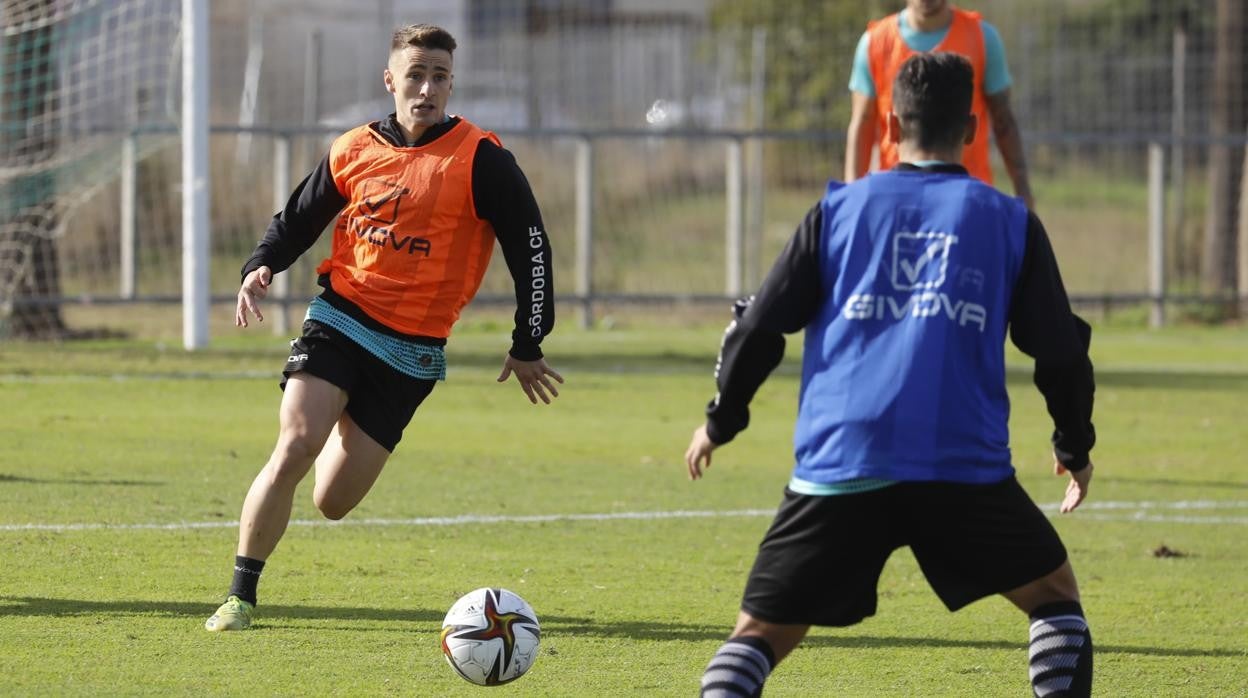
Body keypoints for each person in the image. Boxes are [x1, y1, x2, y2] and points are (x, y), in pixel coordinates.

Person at [686, 53, 1094, 697]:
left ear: (889, 124)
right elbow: (1061, 351)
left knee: (760, 635)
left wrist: (721, 420)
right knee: (1054, 597)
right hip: (963, 467)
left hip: (842, 461)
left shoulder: (840, 210)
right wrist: (1074, 444)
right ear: (970, 128)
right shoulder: (1010, 220)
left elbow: (759, 325)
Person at [205, 23, 564, 632]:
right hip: (340, 318)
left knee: (332, 502)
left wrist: (528, 341)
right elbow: (298, 217)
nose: (427, 88)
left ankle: (338, 419)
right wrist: (260, 264)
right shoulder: (353, 148)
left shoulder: (482, 161)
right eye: (416, 74)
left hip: (413, 351)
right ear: (390, 79)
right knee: (294, 445)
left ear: (452, 83)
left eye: (440, 76)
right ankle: (240, 595)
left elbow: (531, 249)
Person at [845, 0, 1035, 210]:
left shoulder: (982, 38)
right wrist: (852, 193)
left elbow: (1003, 120)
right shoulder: (874, 43)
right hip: (896, 201)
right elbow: (862, 123)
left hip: (967, 201)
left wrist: (1022, 187)